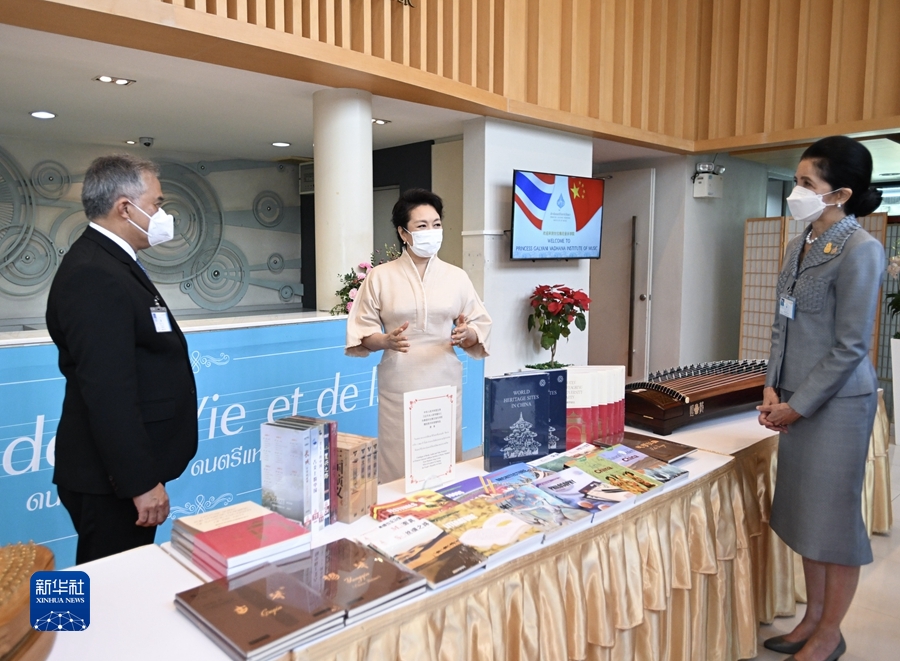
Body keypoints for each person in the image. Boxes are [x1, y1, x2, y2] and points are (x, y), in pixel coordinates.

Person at [757, 136, 884, 661]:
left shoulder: (861, 250)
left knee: (833, 521)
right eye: (797, 181)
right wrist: (771, 385)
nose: (797, 191)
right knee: (806, 516)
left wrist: (798, 404)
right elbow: (782, 324)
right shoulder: (800, 243)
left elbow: (851, 345)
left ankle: (831, 631)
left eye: (807, 183)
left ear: (841, 194)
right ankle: (811, 617)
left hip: (838, 405)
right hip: (794, 397)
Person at [46, 154, 198, 564]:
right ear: (125, 208)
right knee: (109, 584)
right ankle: (68, 615)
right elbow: (108, 391)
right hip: (111, 480)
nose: (162, 215)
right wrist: (140, 482)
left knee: (122, 579)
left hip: (117, 475)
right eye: (157, 204)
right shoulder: (94, 273)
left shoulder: (113, 262)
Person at [345, 189, 492, 482]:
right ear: (403, 232)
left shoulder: (457, 276)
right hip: (399, 384)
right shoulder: (380, 277)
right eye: (422, 225)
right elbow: (362, 333)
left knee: (444, 460)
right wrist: (385, 341)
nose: (431, 232)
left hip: (444, 382)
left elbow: (479, 327)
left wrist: (466, 334)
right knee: (399, 463)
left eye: (436, 224)